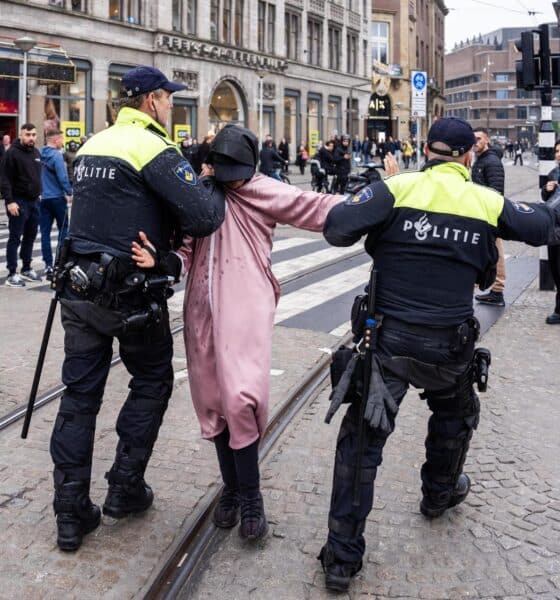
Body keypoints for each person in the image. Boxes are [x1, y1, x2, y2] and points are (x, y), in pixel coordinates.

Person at [317, 117, 560, 592]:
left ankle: (342, 560)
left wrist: (379, 195)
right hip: (449, 345)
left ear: (426, 150)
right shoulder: (484, 201)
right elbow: (545, 226)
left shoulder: (398, 189)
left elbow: (335, 229)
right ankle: (438, 495)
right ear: (469, 156)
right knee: (455, 416)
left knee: (361, 445)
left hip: (387, 344)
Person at [135, 124, 344, 542]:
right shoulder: (200, 193)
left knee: (241, 397)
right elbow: (187, 249)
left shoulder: (266, 190)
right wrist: (160, 261)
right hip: (202, 307)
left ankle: (251, 498)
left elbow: (316, 206)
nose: (231, 179)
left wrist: (380, 200)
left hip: (244, 304)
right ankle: (231, 489)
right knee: (212, 400)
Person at [48, 65, 225, 552]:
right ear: (151, 101)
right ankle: (125, 487)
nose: (172, 106)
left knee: (79, 398)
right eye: (169, 99)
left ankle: (69, 513)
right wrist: (209, 180)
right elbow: (206, 216)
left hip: (79, 291)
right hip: (132, 298)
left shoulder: (92, 145)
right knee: (152, 380)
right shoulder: (152, 147)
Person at [0, 122, 42, 287]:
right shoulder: (12, 154)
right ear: (20, 135)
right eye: (27, 135)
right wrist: (9, 201)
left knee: (30, 236)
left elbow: (36, 176)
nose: (31, 138)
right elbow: (4, 179)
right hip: (18, 201)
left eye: (33, 135)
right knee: (15, 238)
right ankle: (11, 273)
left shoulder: (36, 153)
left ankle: (26, 268)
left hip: (34, 202)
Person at [472, 127, 506, 307]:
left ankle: (498, 290)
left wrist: (489, 214)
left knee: (496, 251)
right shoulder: (480, 160)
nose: (475, 142)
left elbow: (496, 191)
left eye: (478, 139)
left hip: (490, 214)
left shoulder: (491, 162)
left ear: (486, 140)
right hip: (481, 213)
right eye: (473, 139)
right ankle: (489, 287)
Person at [39, 129, 73, 280]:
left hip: (43, 198)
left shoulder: (40, 154)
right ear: (55, 139)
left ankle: (48, 265)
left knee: (45, 233)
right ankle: (60, 263)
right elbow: (62, 177)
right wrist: (70, 192)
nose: (63, 142)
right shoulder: (57, 156)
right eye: (61, 139)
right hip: (58, 198)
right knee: (63, 230)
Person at [540, 139, 560, 324]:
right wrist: (546, 190)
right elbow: (546, 197)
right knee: (555, 269)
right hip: (554, 228)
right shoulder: (553, 172)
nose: (558, 154)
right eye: (557, 151)